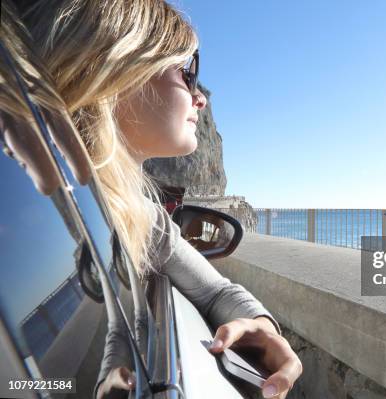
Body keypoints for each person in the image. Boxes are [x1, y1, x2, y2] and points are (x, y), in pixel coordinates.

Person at [9, 1, 302, 398]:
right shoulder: (48, 193)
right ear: (119, 69)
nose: (201, 98)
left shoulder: (136, 213)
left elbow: (214, 293)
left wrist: (260, 327)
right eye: (187, 73)